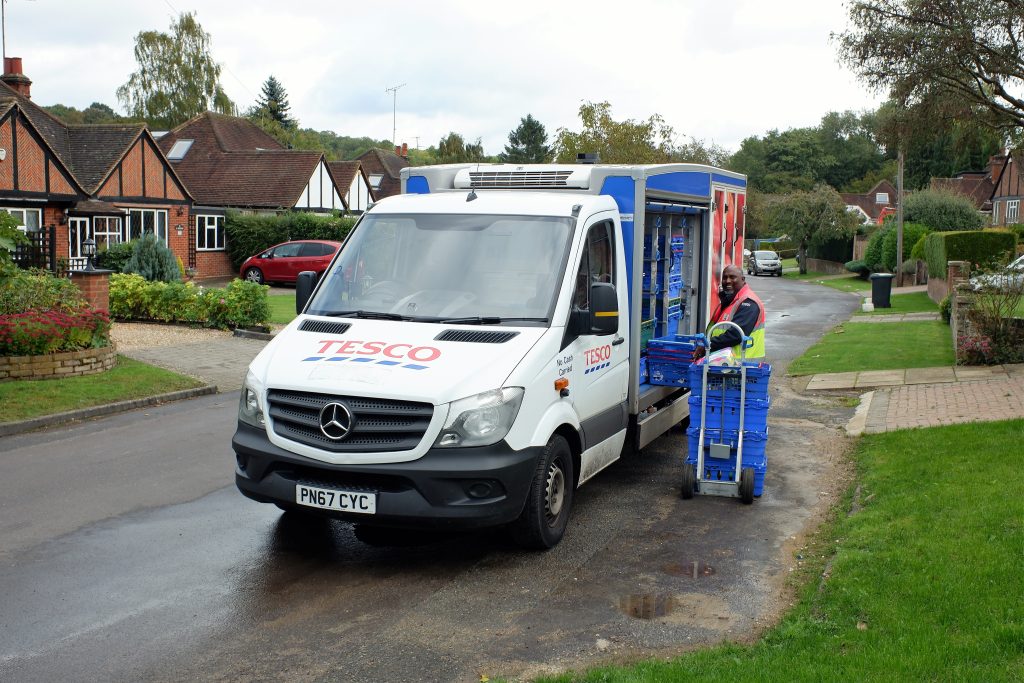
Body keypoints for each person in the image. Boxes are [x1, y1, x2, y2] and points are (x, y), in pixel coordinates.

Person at [695, 264, 765, 359]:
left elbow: (736, 335)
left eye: (732, 277)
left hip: (743, 366)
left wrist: (707, 344)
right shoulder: (728, 301)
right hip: (726, 364)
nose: (727, 281)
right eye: (725, 278)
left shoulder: (748, 302)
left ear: (743, 279)